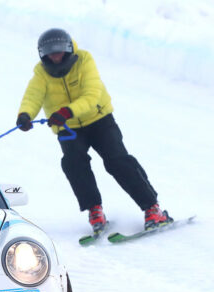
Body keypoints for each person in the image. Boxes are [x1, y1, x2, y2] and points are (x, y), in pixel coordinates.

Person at [16, 28, 172, 232]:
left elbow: (91, 95)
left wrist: (66, 111)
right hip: (68, 127)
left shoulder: (85, 61)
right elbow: (33, 95)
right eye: (50, 52)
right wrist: (25, 115)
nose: (55, 56)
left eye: (59, 50)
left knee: (117, 161)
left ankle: (152, 208)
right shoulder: (41, 73)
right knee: (73, 163)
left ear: (69, 49)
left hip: (99, 120)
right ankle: (94, 210)